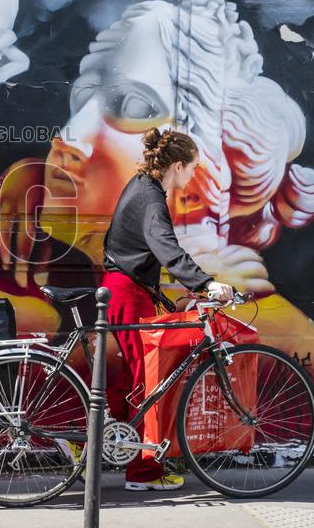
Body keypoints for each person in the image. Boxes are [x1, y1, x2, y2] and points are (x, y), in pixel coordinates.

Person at [102, 127, 234, 492]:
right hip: (126, 294)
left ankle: (86, 440)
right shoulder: (151, 198)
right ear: (176, 166)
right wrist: (205, 284)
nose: (193, 176)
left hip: (125, 290)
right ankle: (142, 473)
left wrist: (164, 294)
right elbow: (166, 248)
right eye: (192, 168)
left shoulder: (142, 186)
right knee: (150, 382)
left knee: (131, 379)